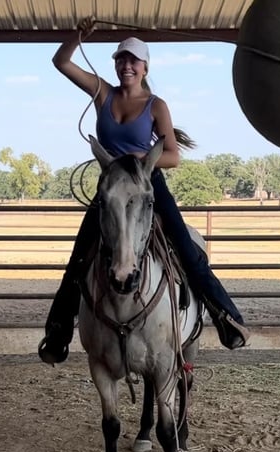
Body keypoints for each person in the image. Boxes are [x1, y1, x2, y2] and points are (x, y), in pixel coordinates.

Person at [38, 18, 250, 365]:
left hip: (149, 185)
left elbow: (173, 157)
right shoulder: (102, 92)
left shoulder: (156, 105)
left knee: (185, 246)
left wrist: (140, 156)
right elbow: (61, 63)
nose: (127, 66)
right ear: (116, 64)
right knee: (79, 257)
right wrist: (78, 36)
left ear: (145, 66)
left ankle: (225, 317)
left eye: (134, 61)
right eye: (121, 59)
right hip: (112, 188)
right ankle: (58, 332)